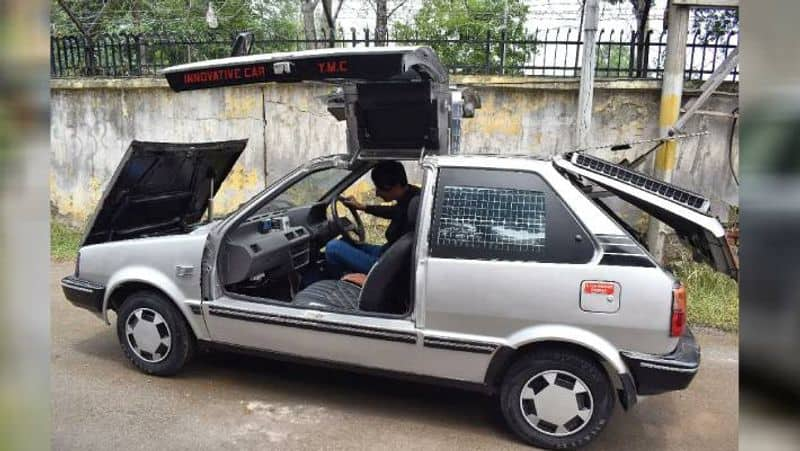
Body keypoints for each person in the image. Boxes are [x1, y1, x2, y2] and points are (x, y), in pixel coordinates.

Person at [325, 161, 420, 283]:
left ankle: (346, 286)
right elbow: (393, 211)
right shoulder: (412, 196)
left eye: (380, 188)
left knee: (333, 247)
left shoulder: (413, 209)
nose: (376, 193)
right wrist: (362, 207)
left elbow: (395, 211)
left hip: (386, 266)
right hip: (386, 252)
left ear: (395, 186)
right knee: (344, 241)